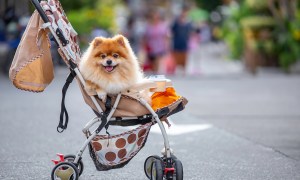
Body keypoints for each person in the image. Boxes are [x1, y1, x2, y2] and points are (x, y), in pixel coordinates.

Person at [171, 6, 192, 74]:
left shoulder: (188, 22)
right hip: (177, 42)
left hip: (184, 42)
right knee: (177, 57)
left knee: (184, 57)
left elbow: (190, 32)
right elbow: (172, 30)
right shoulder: (176, 21)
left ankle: (183, 70)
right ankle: (176, 69)